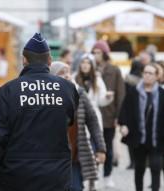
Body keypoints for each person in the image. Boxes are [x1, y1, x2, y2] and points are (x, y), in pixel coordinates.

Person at [0, 33, 79, 191]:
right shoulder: (67, 88)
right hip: (56, 176)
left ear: (24, 60)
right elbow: (71, 122)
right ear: (49, 61)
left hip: (16, 175)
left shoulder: (8, 91)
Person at [50, 61, 106, 191]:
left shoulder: (79, 93)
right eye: (61, 73)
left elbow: (92, 121)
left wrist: (101, 148)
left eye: (68, 72)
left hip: (75, 155)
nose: (67, 76)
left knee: (76, 187)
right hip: (54, 156)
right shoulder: (47, 97)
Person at [119, 64, 164, 191]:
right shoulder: (134, 92)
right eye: (145, 72)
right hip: (139, 137)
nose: (147, 75)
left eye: (151, 73)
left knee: (156, 167)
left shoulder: (161, 94)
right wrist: (123, 125)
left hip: (157, 137)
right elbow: (125, 110)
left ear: (156, 76)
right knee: (139, 168)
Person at [92, 40, 125, 188]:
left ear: (104, 53)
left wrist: (119, 116)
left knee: (107, 148)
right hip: (93, 115)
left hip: (109, 115)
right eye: (94, 52)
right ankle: (95, 175)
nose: (95, 55)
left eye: (98, 52)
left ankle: (108, 175)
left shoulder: (115, 70)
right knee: (94, 147)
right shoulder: (90, 68)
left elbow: (121, 94)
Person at [74, 53, 113, 129]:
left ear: (92, 66)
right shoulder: (74, 78)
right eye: (83, 62)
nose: (85, 65)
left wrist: (107, 97)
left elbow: (101, 102)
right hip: (78, 116)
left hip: (93, 115)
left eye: (88, 63)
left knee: (95, 138)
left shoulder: (97, 80)